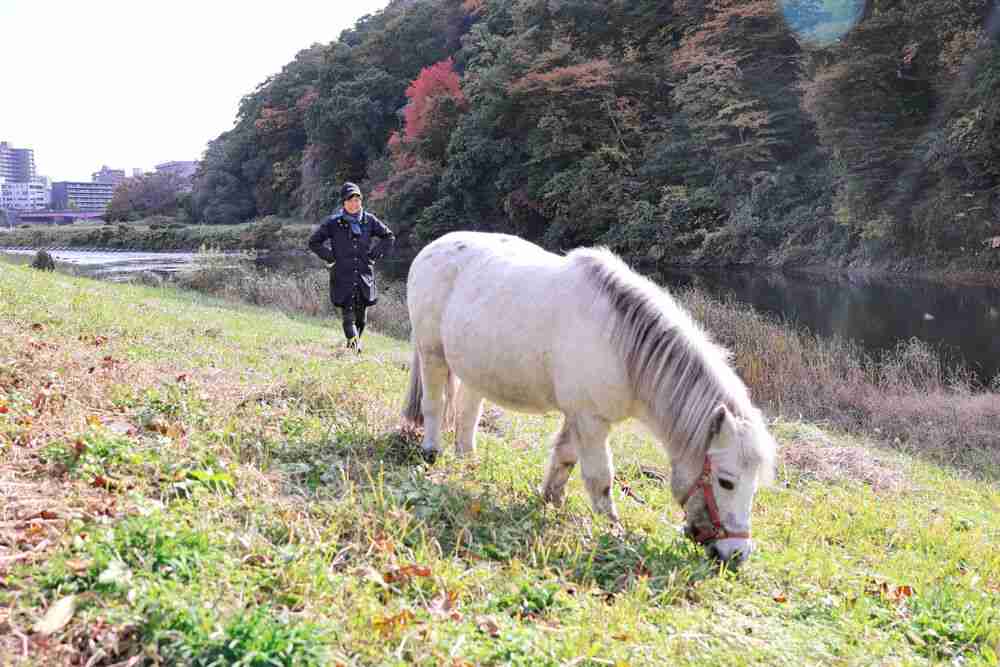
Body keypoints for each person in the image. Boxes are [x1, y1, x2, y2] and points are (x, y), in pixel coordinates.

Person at [308, 182, 395, 353]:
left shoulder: (369, 220)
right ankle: (356, 348)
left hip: (363, 275)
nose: (355, 204)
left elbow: (389, 237)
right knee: (348, 317)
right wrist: (331, 258)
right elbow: (314, 242)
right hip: (342, 275)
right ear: (344, 203)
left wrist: (373, 255)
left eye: (357, 200)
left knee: (361, 319)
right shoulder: (333, 223)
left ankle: (352, 347)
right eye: (351, 200)